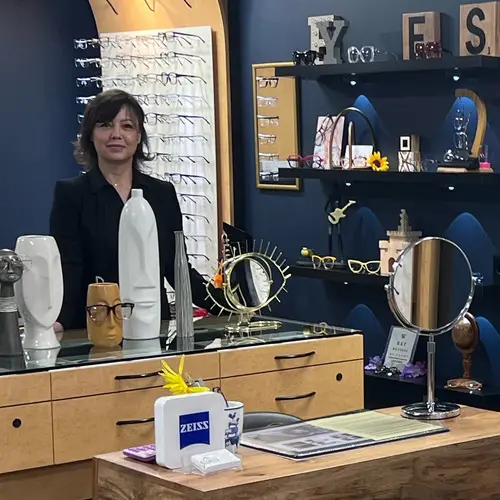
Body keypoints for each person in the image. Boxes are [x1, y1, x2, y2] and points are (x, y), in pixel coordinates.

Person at [50, 89, 219, 332]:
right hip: (93, 329)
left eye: (127, 126)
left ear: (138, 136)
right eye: (106, 125)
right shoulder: (72, 195)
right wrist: (59, 322)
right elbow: (68, 268)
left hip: (152, 327)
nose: (116, 134)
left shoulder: (161, 194)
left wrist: (226, 307)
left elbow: (177, 268)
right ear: (91, 135)